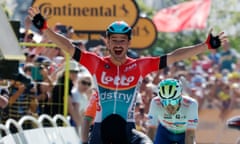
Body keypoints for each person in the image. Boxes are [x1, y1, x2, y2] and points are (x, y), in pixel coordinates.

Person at [28, 7, 226, 144]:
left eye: (123, 40)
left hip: (128, 129)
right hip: (100, 130)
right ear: (107, 42)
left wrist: (205, 46)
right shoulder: (96, 63)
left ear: (129, 43)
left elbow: (173, 56)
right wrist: (46, 30)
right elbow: (69, 47)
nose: (118, 44)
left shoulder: (139, 66)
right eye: (114, 40)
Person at [147, 78, 199, 144]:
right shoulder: (155, 102)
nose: (169, 106)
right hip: (165, 131)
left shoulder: (191, 104)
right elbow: (151, 129)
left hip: (184, 133)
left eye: (173, 101)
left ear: (180, 99)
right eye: (165, 102)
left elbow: (190, 133)